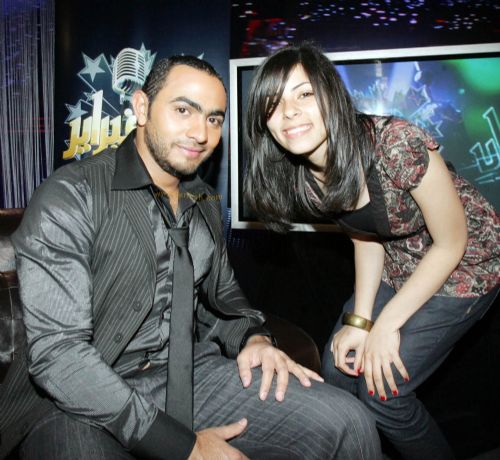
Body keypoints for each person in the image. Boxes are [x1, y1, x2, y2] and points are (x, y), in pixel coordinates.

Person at [0, 55, 382, 460]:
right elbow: (59, 356)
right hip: (80, 396)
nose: (201, 133)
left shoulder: (203, 200)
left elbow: (222, 299)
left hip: (190, 376)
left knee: (348, 420)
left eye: (214, 119)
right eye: (183, 110)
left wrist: (254, 338)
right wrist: (183, 445)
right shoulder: (71, 195)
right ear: (142, 107)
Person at [244, 43, 500, 460]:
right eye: (273, 103)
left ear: (332, 94)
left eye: (304, 93)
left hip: (468, 262)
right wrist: (361, 322)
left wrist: (386, 325)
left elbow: (452, 243)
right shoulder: (302, 174)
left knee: (385, 394)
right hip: (400, 262)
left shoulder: (397, 144)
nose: (288, 112)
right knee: (337, 372)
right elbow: (365, 237)